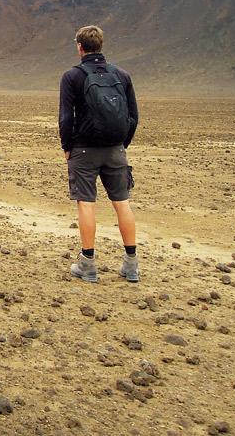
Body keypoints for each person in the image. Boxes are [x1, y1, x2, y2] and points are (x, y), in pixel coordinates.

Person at [58, 25, 140, 283]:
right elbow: (133, 116)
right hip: (115, 149)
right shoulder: (122, 75)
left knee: (86, 203)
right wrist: (121, 144)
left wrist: (67, 147)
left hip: (84, 150)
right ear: (101, 46)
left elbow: (65, 118)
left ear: (80, 47)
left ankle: (88, 263)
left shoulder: (72, 77)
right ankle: (132, 264)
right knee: (122, 202)